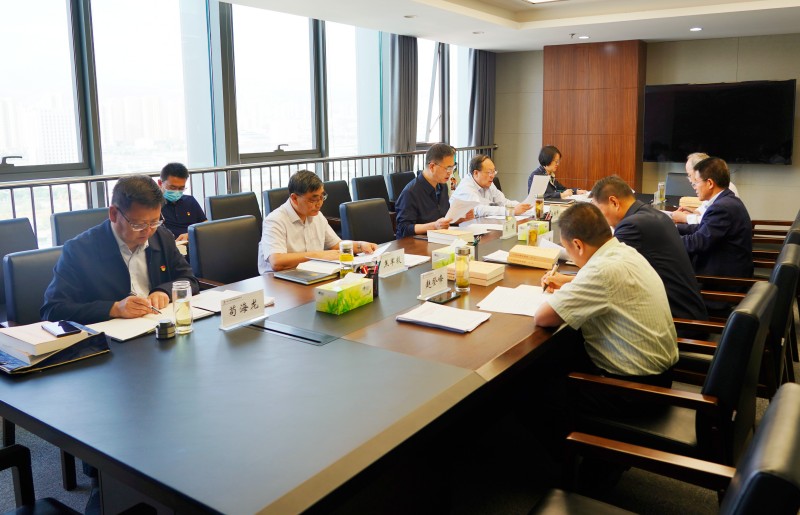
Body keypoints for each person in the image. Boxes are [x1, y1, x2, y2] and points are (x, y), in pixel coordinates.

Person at [536, 202, 678, 391]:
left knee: (538, 380)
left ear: (578, 245)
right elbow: (611, 286)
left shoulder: (600, 271)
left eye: (567, 249)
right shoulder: (624, 251)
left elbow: (543, 317)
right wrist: (570, 282)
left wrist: (571, 287)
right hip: (659, 376)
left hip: (632, 389)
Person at [41, 175, 199, 325]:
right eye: (138, 224)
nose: (148, 231)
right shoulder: (79, 250)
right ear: (114, 214)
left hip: (159, 326)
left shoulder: (161, 236)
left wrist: (164, 291)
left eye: (154, 222)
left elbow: (189, 280)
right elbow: (53, 310)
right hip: (108, 336)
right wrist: (114, 309)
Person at [590, 175, 708, 322]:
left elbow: (602, 272)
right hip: (688, 310)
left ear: (614, 202)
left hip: (678, 322)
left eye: (600, 212)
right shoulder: (652, 214)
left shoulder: (631, 226)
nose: (601, 220)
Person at [257, 170, 378, 273]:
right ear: (294, 198)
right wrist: (320, 255)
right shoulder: (275, 220)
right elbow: (277, 262)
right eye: (313, 200)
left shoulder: (317, 216)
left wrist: (360, 246)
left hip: (311, 274)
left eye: (322, 197)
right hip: (279, 281)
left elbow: (336, 245)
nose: (319, 204)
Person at [677, 156, 753, 278]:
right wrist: (674, 228)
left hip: (722, 280)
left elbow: (697, 243)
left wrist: (666, 239)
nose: (694, 187)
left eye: (696, 182)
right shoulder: (727, 200)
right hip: (722, 268)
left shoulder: (722, 208)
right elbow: (702, 229)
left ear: (710, 183)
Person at [394, 143, 473, 239]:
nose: (450, 172)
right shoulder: (410, 192)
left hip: (439, 238)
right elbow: (403, 228)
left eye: (452, 167)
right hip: (416, 242)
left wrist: (460, 218)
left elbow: (443, 219)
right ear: (432, 167)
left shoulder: (442, 186)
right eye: (447, 168)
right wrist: (434, 226)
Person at [450, 154, 532, 217]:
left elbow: (503, 202)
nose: (492, 176)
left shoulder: (488, 183)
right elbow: (479, 210)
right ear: (476, 173)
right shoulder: (466, 187)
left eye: (493, 172)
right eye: (489, 172)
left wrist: (524, 207)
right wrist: (511, 211)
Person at [671, 152, 740, 224]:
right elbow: (706, 212)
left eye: (689, 175)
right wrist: (693, 212)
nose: (690, 180)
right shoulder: (713, 190)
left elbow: (710, 220)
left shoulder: (723, 189)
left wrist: (685, 218)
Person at [158, 162, 207, 241]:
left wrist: (190, 235)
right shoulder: (154, 206)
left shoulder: (190, 201)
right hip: (170, 244)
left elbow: (205, 224)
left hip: (192, 242)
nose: (177, 191)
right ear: (160, 183)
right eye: (172, 187)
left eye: (181, 188)